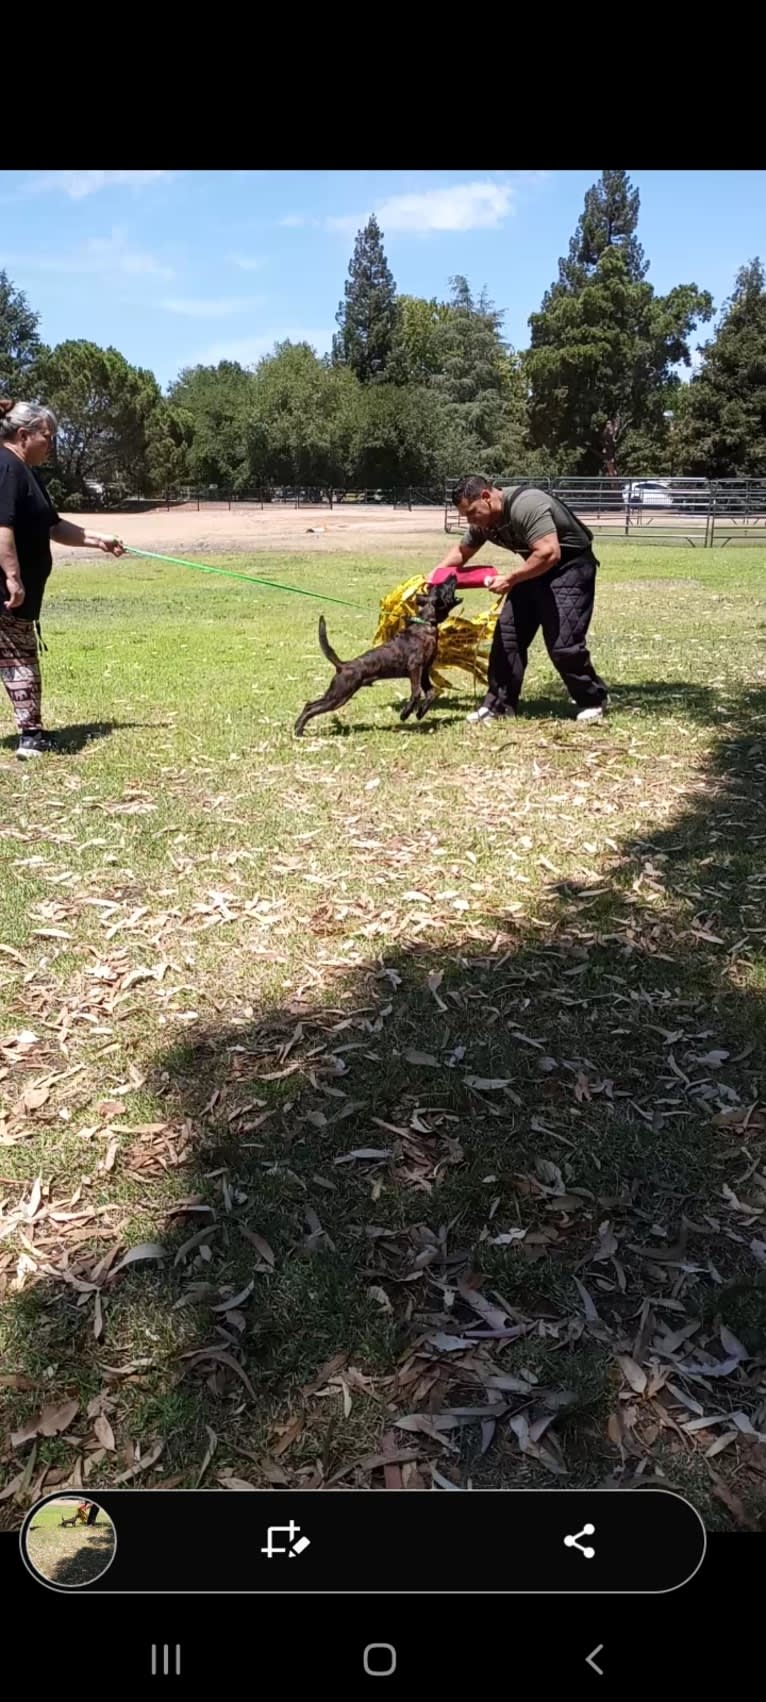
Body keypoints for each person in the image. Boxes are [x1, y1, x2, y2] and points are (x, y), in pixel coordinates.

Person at [0, 398, 126, 758]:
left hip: (17, 591)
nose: (51, 444)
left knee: (18, 657)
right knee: (19, 659)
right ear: (24, 435)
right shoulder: (7, 468)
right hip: (7, 592)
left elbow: (53, 526)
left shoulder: (26, 472)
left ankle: (31, 733)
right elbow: (1, 526)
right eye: (47, 436)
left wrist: (98, 539)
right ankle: (31, 737)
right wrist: (12, 576)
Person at [429, 475, 608, 724]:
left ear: (486, 497)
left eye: (471, 513)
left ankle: (593, 700)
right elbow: (462, 552)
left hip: (570, 567)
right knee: (508, 635)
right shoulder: (484, 521)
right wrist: (433, 578)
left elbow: (549, 552)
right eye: (465, 516)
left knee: (563, 644)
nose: (469, 521)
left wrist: (511, 579)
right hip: (535, 568)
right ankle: (498, 706)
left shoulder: (526, 505)